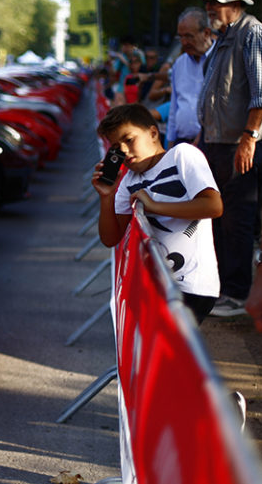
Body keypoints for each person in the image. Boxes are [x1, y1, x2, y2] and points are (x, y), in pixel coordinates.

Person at [93, 103, 222, 323]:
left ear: (153, 133)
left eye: (129, 140)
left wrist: (154, 206)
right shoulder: (127, 183)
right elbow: (111, 238)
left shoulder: (182, 154)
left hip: (191, 284)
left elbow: (213, 206)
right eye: (116, 146)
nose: (123, 150)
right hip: (158, 285)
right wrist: (106, 197)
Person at [195, 0, 262, 317]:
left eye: (215, 0)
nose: (209, 6)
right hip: (217, 143)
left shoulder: (252, 33)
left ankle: (237, 293)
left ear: (234, 3)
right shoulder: (226, 37)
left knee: (236, 221)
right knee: (218, 219)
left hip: (238, 144)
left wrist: (249, 137)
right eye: (209, 0)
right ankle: (226, 289)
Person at [166, 8, 215, 146]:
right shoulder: (179, 64)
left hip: (210, 143)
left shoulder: (221, 60)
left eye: (188, 36)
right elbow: (174, 106)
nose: (184, 42)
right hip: (182, 142)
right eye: (180, 37)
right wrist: (171, 142)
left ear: (206, 33)